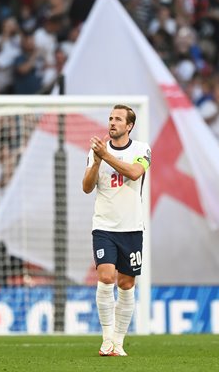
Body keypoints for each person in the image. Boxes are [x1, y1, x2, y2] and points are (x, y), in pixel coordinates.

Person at [82, 104, 151, 357]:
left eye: (118, 119)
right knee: (107, 276)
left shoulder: (141, 149)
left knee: (126, 283)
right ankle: (107, 338)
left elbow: (134, 172)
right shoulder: (96, 151)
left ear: (129, 125)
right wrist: (95, 162)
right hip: (104, 226)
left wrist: (106, 156)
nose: (112, 122)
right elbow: (87, 187)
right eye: (110, 118)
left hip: (132, 227)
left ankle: (118, 343)